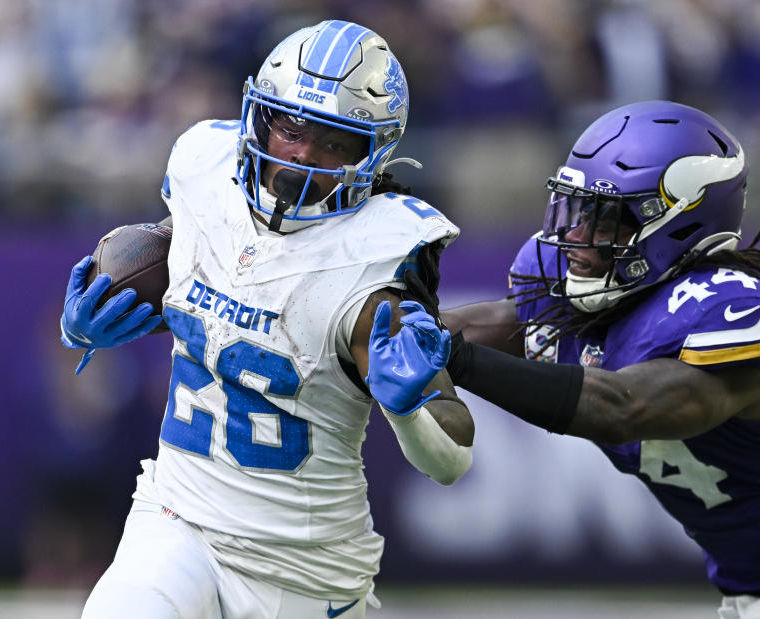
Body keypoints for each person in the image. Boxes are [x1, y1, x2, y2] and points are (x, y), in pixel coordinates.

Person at [384, 100, 760, 618]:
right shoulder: (576, 283)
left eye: (606, 220)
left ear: (682, 225)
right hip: (756, 586)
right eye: (575, 209)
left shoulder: (727, 309)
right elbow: (507, 323)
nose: (576, 237)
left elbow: (624, 407)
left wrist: (457, 358)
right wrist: (385, 323)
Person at [59, 20, 474, 619]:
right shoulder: (206, 176)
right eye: (291, 127)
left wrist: (409, 410)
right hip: (178, 517)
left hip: (302, 568)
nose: (302, 153)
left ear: (374, 151)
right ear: (260, 116)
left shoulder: (378, 261)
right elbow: (209, 287)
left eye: (334, 141)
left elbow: (451, 461)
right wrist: (81, 325)